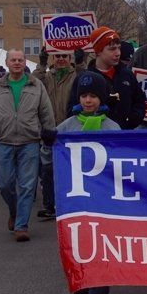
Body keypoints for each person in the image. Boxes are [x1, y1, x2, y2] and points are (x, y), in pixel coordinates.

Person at [46, 71, 120, 294]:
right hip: (75, 200)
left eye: (93, 96)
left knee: (102, 249)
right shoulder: (67, 126)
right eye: (84, 96)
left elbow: (122, 162)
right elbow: (50, 158)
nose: (88, 101)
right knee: (79, 246)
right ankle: (81, 286)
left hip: (103, 199)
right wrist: (48, 142)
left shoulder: (112, 127)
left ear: (101, 98)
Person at [0, 49, 55, 242]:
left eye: (20, 59)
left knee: (28, 186)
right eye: (14, 60)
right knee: (4, 184)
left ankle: (21, 225)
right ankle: (14, 211)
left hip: (29, 142)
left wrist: (49, 135)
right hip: (3, 142)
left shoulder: (36, 85)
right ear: (7, 62)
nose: (17, 63)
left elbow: (46, 112)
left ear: (24, 62)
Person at [34, 48, 86, 218]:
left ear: (69, 57)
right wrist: (41, 63)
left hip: (70, 128)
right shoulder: (48, 76)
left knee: (71, 169)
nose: (61, 59)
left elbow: (84, 79)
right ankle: (49, 205)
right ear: (53, 58)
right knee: (47, 169)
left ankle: (71, 203)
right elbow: (34, 81)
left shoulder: (75, 74)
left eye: (64, 56)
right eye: (57, 56)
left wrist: (80, 62)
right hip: (50, 128)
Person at [69, 27, 146, 130]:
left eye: (119, 48)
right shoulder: (84, 79)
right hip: (96, 139)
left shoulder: (127, 75)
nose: (118, 53)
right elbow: (72, 111)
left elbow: (140, 103)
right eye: (112, 49)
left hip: (124, 136)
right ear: (98, 51)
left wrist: (131, 120)